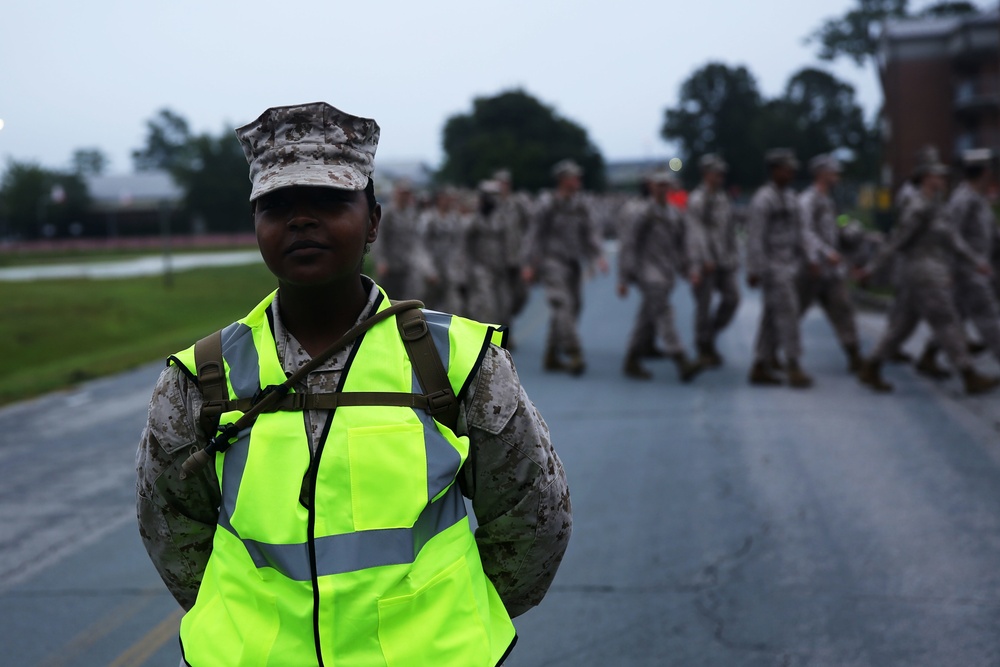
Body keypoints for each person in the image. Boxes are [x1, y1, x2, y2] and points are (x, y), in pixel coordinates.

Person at [136, 102, 571, 666]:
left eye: (330, 201)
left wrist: (448, 613)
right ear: (256, 225)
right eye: (277, 205)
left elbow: (533, 519)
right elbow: (171, 530)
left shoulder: (457, 363)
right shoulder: (200, 379)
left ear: (372, 222)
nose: (301, 219)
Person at [856, 153, 999, 395]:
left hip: (929, 272)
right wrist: (871, 269)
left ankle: (871, 366)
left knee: (902, 326)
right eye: (938, 175)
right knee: (947, 323)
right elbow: (897, 241)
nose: (944, 178)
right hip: (923, 272)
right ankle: (968, 375)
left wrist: (976, 261)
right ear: (925, 178)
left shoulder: (936, 206)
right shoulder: (918, 207)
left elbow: (954, 240)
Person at [523, 159, 608, 375]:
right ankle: (574, 352)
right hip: (552, 261)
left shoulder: (580, 204)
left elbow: (590, 232)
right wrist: (529, 263)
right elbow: (535, 235)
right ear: (563, 179)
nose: (578, 180)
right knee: (562, 305)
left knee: (574, 307)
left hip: (573, 263)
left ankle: (551, 353)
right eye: (574, 176)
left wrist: (599, 255)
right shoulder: (547, 203)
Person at [617, 170, 702, 381]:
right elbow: (629, 245)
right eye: (658, 184)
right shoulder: (643, 213)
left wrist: (690, 269)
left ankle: (631, 359)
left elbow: (682, 245)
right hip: (648, 272)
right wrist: (624, 277)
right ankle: (681, 359)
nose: (663, 188)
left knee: (646, 318)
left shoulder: (674, 213)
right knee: (664, 314)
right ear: (651, 186)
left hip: (666, 272)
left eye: (666, 184)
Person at [745, 148, 817, 388]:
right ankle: (793, 364)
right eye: (787, 169)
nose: (791, 173)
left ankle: (760, 363)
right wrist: (754, 268)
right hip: (772, 266)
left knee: (771, 316)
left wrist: (810, 259)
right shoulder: (763, 199)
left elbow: (801, 232)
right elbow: (755, 237)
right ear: (775, 170)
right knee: (788, 314)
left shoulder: (791, 198)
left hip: (791, 264)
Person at [796, 154, 864, 373]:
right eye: (833, 172)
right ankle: (772, 357)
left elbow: (834, 228)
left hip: (832, 272)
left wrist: (847, 233)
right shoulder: (808, 200)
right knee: (791, 313)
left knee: (843, 311)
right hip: (812, 269)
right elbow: (804, 232)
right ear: (821, 174)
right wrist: (822, 254)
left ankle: (854, 356)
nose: (837, 176)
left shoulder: (829, 201)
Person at [685, 154, 740, 367]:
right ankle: (703, 347)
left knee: (732, 298)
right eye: (717, 174)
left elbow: (729, 230)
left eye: (722, 174)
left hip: (724, 260)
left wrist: (734, 255)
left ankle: (710, 334)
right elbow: (694, 232)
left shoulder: (722, 198)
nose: (721, 177)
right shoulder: (698, 199)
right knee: (703, 306)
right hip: (704, 261)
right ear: (706, 174)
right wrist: (702, 261)